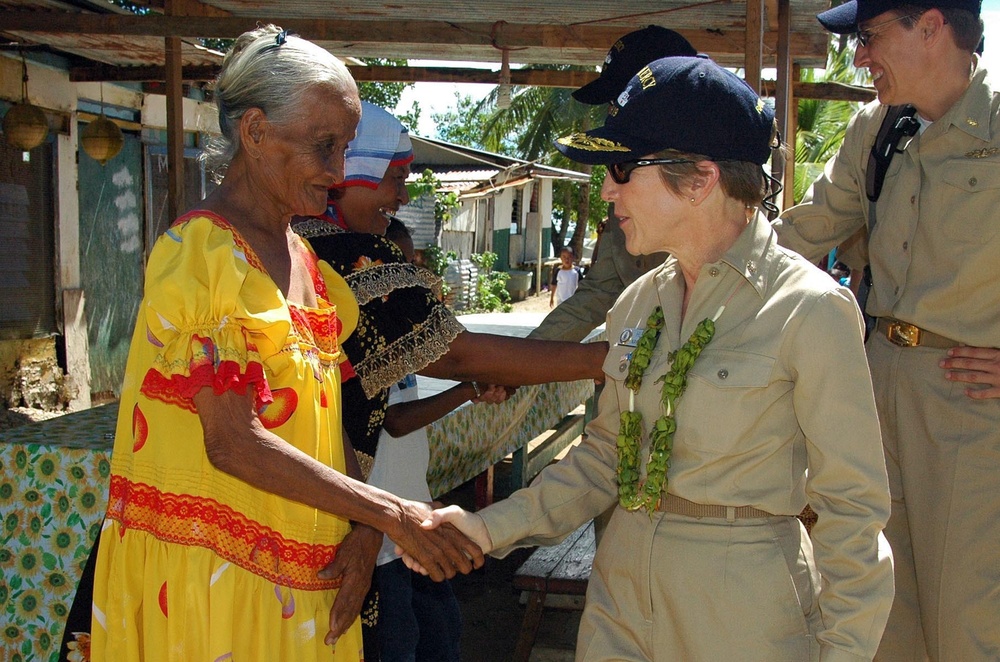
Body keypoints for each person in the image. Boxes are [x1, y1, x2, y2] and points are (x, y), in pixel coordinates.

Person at [408, 57, 894, 661]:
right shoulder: (639, 301)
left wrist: (843, 653)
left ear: (700, 180)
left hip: (742, 612)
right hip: (619, 599)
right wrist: (487, 527)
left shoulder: (810, 309)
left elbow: (853, 514)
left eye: (620, 168)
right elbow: (606, 457)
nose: (607, 189)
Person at [85, 26, 485, 662]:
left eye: (346, 148)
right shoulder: (203, 257)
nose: (336, 171)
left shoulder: (311, 267)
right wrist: (392, 514)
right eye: (323, 146)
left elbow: (333, 423)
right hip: (212, 586)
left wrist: (360, 527)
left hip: (302, 584)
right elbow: (232, 441)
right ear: (255, 131)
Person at [771, 0, 999, 658]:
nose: (861, 58)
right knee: (878, 610)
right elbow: (803, 231)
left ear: (931, 27)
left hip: (973, 412)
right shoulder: (878, 130)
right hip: (876, 392)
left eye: (871, 38)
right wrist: (700, 274)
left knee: (967, 624)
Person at [293, 101, 607, 473]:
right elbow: (456, 356)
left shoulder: (292, 237)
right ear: (356, 173)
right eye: (396, 179)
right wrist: (605, 359)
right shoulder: (353, 255)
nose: (403, 198)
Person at [364, 217, 508, 662]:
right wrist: (469, 387)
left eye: (410, 265)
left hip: (416, 521)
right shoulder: (364, 337)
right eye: (397, 266)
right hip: (383, 541)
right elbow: (394, 421)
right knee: (401, 646)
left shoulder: (401, 333)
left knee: (442, 637)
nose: (407, 278)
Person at [527, 24, 697, 343]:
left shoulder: (722, 190)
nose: (611, 113)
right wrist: (516, 364)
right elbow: (599, 293)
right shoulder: (624, 183)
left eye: (620, 98)